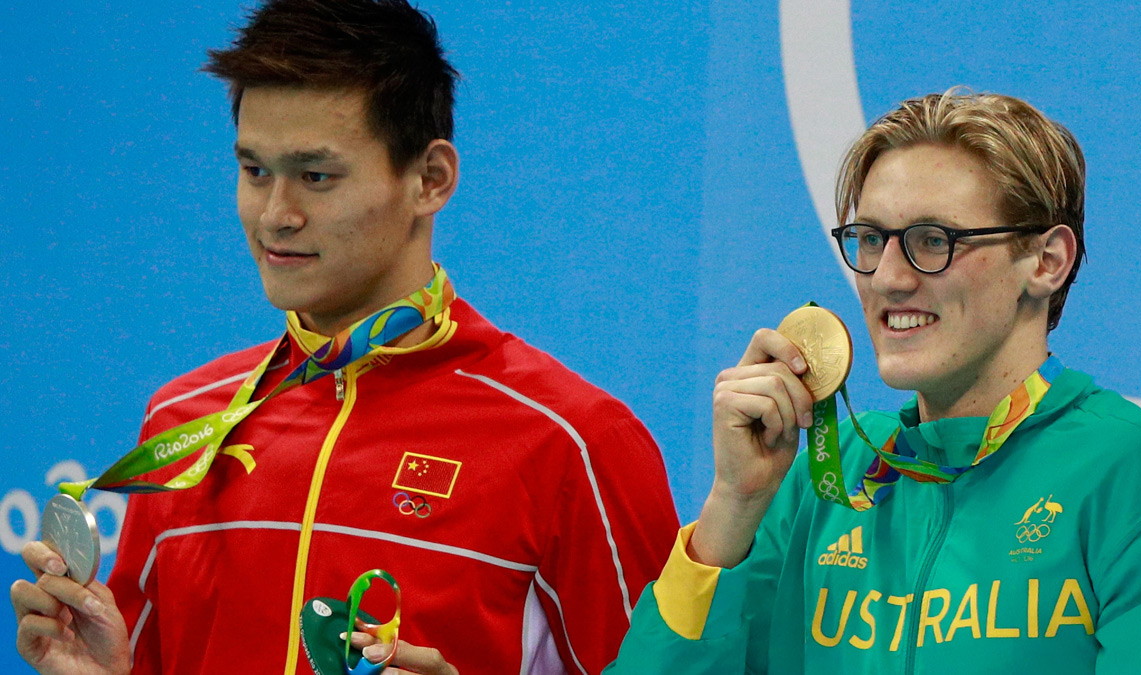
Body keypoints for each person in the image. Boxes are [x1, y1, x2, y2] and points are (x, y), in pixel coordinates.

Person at [10, 1, 679, 673]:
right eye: (255, 171)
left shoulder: (572, 442)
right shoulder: (186, 422)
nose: (276, 214)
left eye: (316, 176)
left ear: (430, 179)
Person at [605, 89, 1141, 673]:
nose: (888, 278)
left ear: (1046, 262)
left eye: (932, 241)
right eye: (870, 240)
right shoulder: (818, 478)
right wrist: (733, 505)